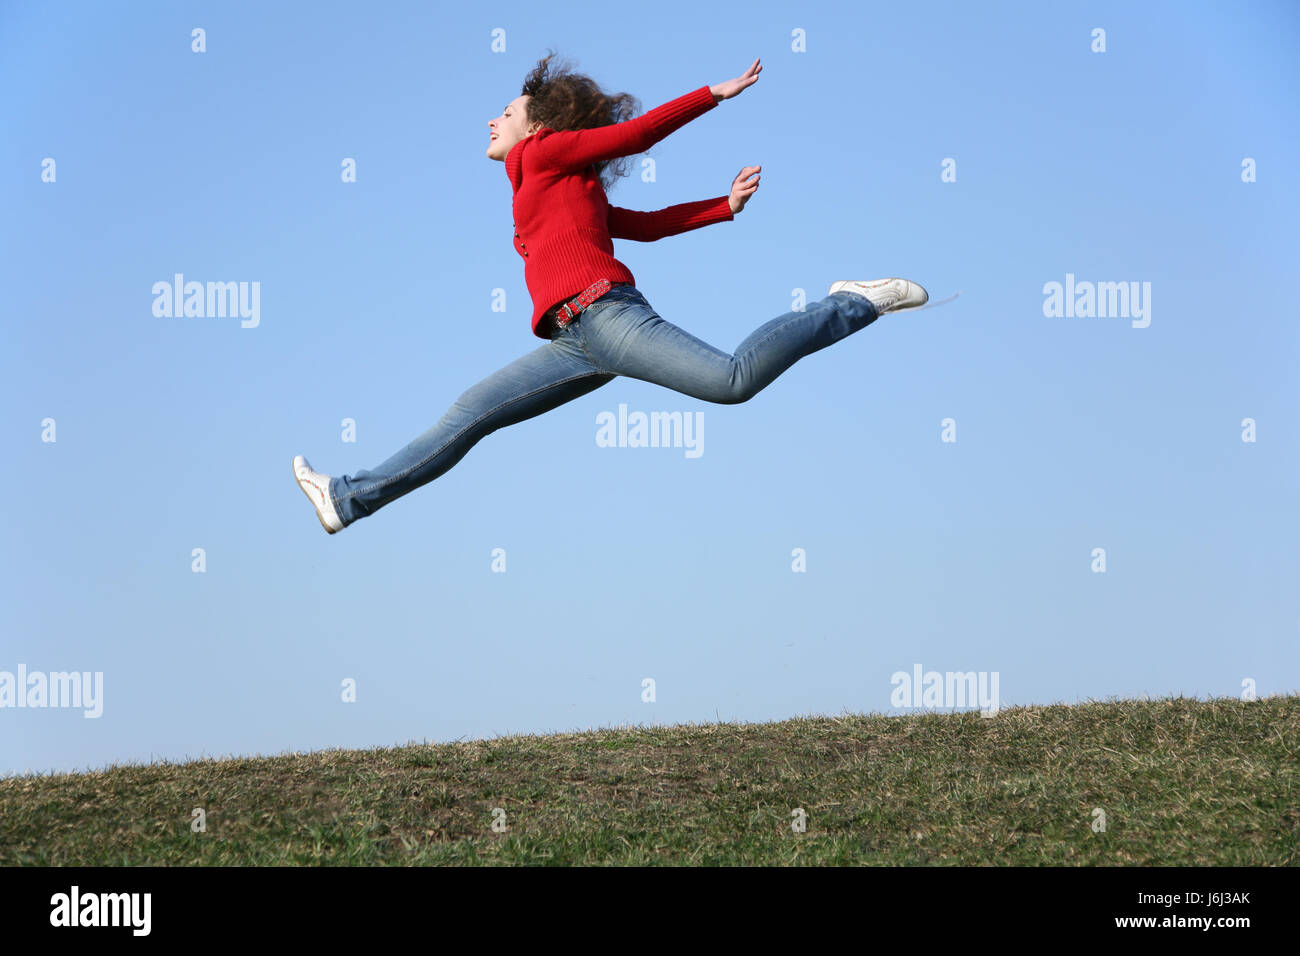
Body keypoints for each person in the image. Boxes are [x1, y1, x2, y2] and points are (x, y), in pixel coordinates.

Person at [293, 53, 927, 534]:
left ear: (538, 124)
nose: (493, 119)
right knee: (470, 415)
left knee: (733, 380)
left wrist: (712, 95)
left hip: (607, 315)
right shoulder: (552, 189)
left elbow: (636, 136)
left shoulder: (546, 154)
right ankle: (349, 498)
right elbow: (642, 226)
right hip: (574, 343)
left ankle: (850, 301)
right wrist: (722, 207)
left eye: (507, 112)